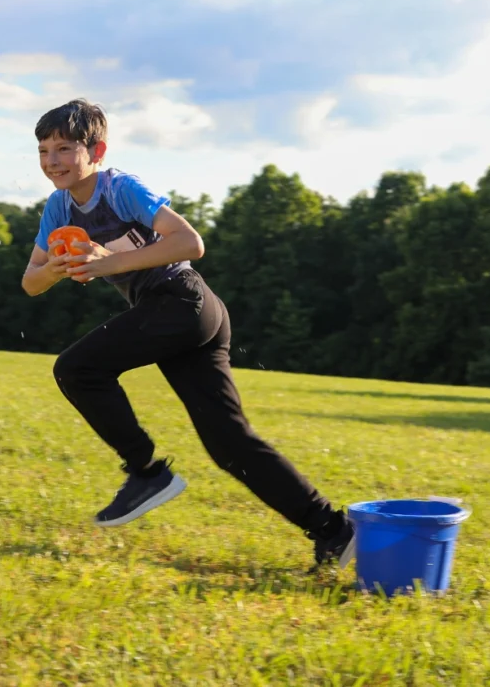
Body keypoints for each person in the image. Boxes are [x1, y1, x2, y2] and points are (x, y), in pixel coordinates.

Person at [21, 99, 355, 569]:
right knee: (229, 445)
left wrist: (105, 265)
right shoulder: (58, 208)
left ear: (95, 149)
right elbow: (30, 282)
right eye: (42, 150)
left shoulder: (120, 189)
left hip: (183, 303)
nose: (51, 161)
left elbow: (189, 243)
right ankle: (334, 530)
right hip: (176, 317)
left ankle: (147, 472)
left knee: (77, 368)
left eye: (63, 148)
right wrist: (55, 269)